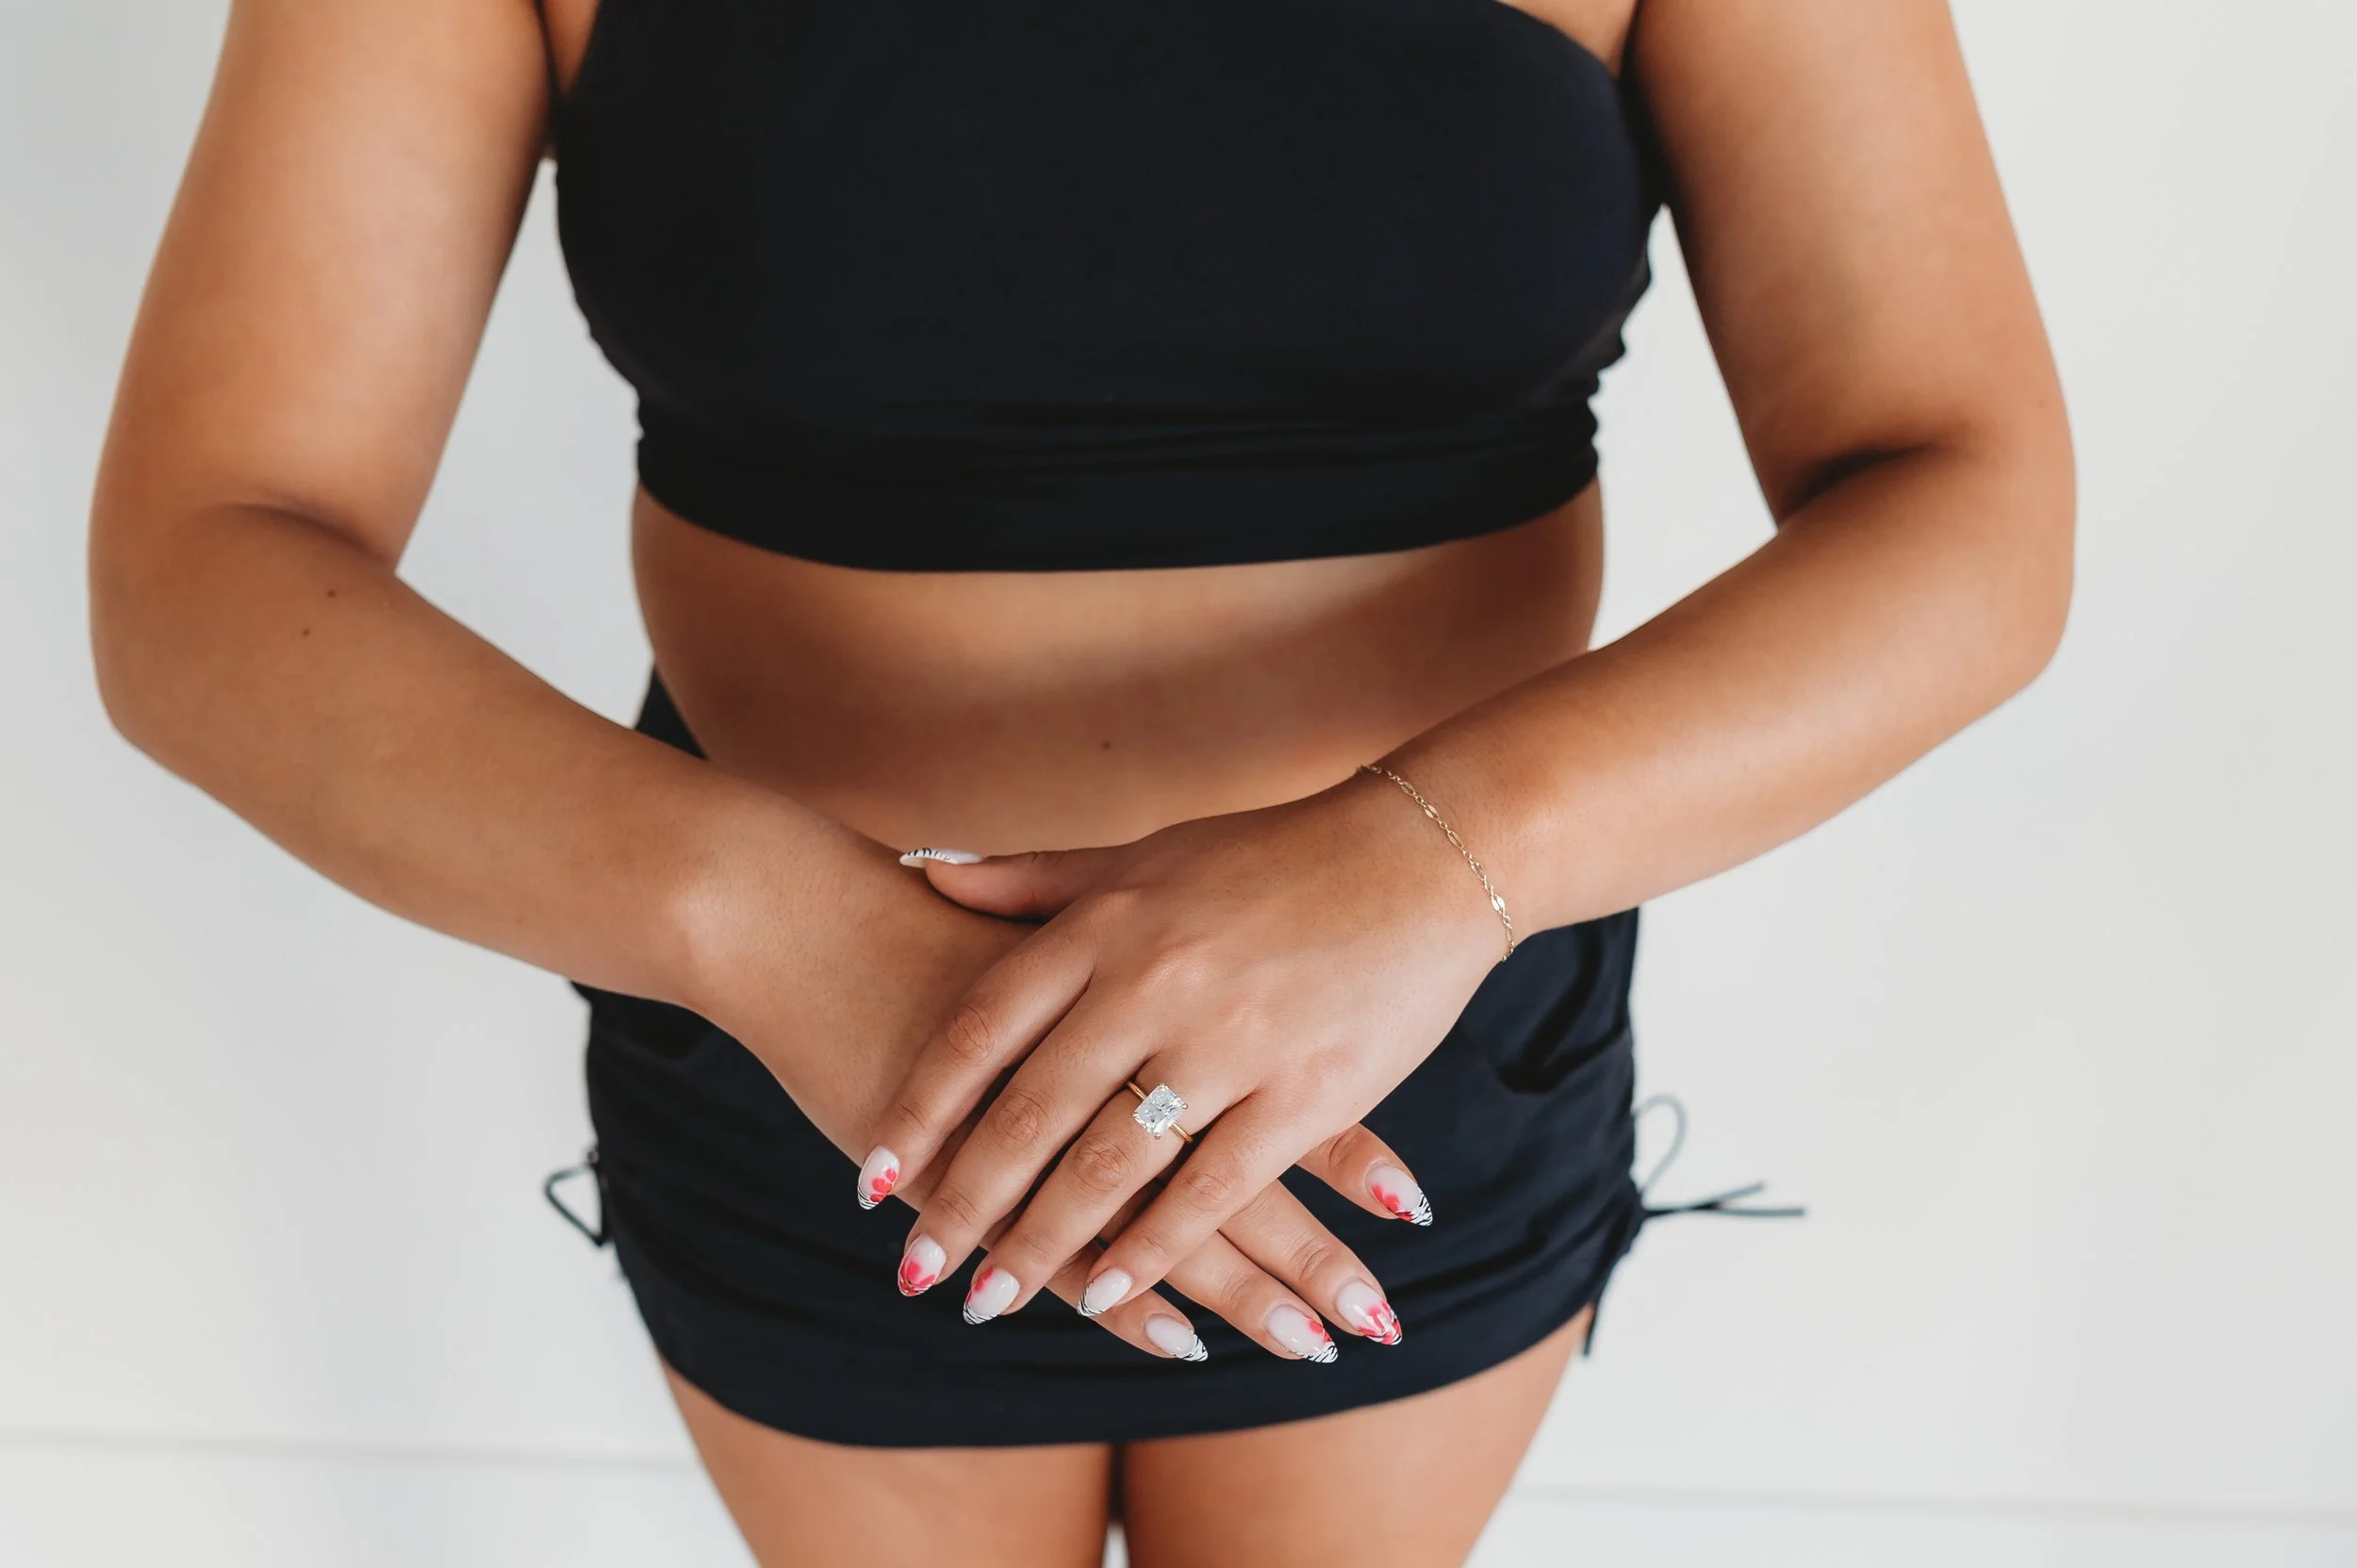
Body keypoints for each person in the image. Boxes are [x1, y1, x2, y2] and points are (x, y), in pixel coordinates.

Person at [87, 0, 2073, 1561]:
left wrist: (1427, 868)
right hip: (804, 1071)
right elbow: (205, 559)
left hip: (1416, 1043)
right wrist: (781, 936)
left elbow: (1962, 498)